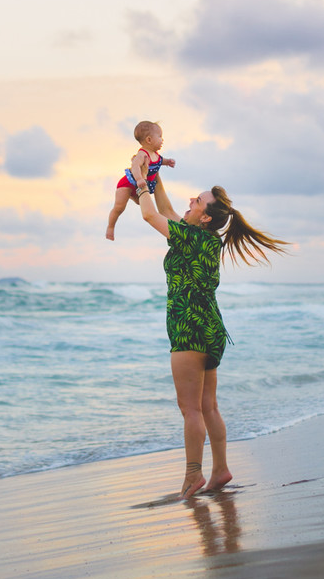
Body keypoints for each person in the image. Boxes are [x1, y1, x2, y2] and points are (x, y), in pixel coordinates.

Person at [130, 151, 290, 498]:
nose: (191, 200)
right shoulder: (204, 237)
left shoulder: (189, 237)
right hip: (213, 330)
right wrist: (152, 172)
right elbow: (168, 210)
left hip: (189, 329)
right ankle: (220, 470)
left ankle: (192, 475)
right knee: (209, 406)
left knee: (189, 409)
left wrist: (138, 179)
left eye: (198, 200)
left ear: (204, 216)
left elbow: (149, 215)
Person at [105, 120, 175, 241]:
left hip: (140, 185)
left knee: (140, 203)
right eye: (160, 136)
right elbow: (135, 167)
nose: (162, 140)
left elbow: (160, 161)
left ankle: (132, 196)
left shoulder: (156, 155)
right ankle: (110, 227)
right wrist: (139, 179)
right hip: (128, 184)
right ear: (149, 140)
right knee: (119, 207)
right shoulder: (142, 155)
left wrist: (168, 162)